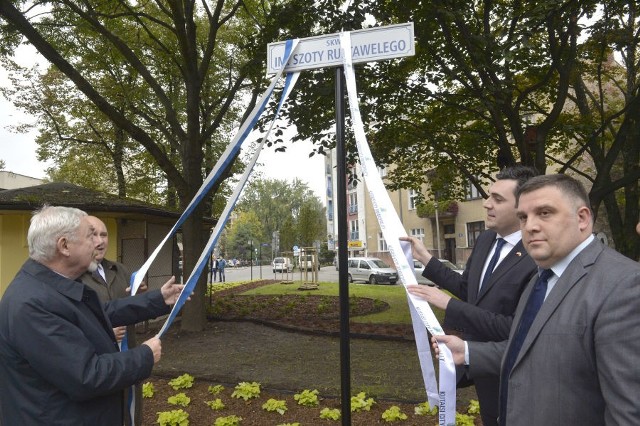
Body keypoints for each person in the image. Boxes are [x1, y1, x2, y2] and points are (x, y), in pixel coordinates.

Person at [433, 174, 640, 425]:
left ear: (582, 218)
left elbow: (629, 413)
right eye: (523, 217)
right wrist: (467, 351)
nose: (530, 226)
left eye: (544, 213)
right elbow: (532, 349)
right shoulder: (541, 278)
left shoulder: (624, 286)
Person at [0, 205, 185, 425]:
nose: (98, 243)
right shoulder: (33, 304)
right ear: (64, 246)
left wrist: (158, 300)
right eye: (90, 236)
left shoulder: (51, 286)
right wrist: (144, 355)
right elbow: (86, 376)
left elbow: (100, 313)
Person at [401, 164, 538, 426]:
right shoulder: (487, 239)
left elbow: (513, 328)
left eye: (497, 199)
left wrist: (449, 305)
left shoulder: (535, 254)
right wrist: (427, 260)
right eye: (488, 195)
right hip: (483, 376)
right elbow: (470, 289)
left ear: (523, 207)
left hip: (515, 379)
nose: (487, 204)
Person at [80, 216, 146, 426]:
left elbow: (131, 310)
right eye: (93, 234)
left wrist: (141, 297)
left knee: (131, 414)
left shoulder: (120, 270)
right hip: (98, 369)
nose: (100, 241)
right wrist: (105, 330)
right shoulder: (73, 276)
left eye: (104, 234)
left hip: (128, 360)